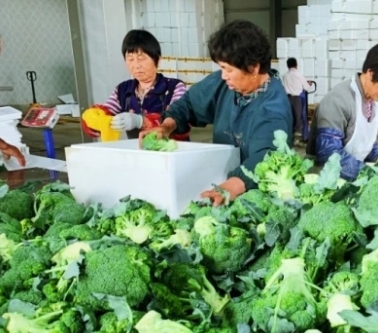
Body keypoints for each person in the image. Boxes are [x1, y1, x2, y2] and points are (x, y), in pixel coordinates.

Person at [141, 20, 293, 206]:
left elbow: (268, 156)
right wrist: (166, 127)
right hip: (223, 184)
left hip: (256, 198)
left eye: (228, 69)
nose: (223, 75)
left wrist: (234, 185)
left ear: (253, 67)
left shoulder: (273, 107)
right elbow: (189, 103)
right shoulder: (225, 84)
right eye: (221, 68)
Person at [308, 40, 378, 181]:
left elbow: (364, 141)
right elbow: (329, 154)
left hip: (353, 180)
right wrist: (370, 174)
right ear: (371, 73)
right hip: (326, 182)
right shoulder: (338, 101)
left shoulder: (372, 100)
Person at [82, 29, 189, 141]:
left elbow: (179, 119)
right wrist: (94, 119)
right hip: (139, 153)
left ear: (157, 60)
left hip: (172, 152)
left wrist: (140, 121)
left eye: (141, 58)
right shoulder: (123, 90)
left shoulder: (175, 87)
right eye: (130, 59)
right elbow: (106, 112)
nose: (136, 65)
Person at [282, 58, 311, 143]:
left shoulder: (285, 76)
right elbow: (306, 87)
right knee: (299, 118)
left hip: (287, 99)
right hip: (297, 99)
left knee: (291, 118)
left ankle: (289, 137)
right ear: (296, 65)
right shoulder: (298, 74)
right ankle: (298, 138)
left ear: (288, 66)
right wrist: (308, 84)